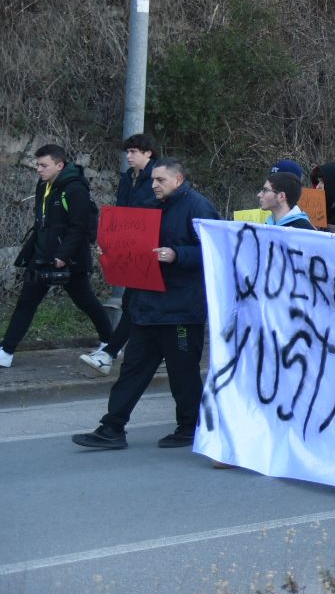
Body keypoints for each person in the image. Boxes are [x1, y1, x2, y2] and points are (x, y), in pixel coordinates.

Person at [71, 158, 218, 450]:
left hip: (180, 311)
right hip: (147, 307)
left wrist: (178, 254)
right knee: (132, 369)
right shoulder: (151, 207)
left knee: (183, 373)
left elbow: (215, 253)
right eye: (152, 180)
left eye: (160, 180)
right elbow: (137, 246)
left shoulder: (199, 207)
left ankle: (190, 427)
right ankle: (112, 427)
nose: (154, 185)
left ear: (178, 180)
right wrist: (111, 249)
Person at [1, 145, 116, 369]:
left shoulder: (75, 189)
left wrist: (62, 256)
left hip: (70, 259)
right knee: (27, 301)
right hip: (42, 255)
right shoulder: (44, 185)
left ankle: (110, 342)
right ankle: (6, 351)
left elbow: (79, 227)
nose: (38, 169)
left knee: (85, 300)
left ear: (59, 165)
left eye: (44, 165)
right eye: (37, 165)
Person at [83, 134, 163, 374]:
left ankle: (110, 352)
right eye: (127, 152)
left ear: (148, 153)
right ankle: (116, 352)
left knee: (136, 303)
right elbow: (121, 213)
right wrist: (112, 242)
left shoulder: (157, 178)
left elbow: (150, 214)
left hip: (150, 248)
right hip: (134, 246)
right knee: (138, 304)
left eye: (133, 152)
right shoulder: (128, 178)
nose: (128, 157)